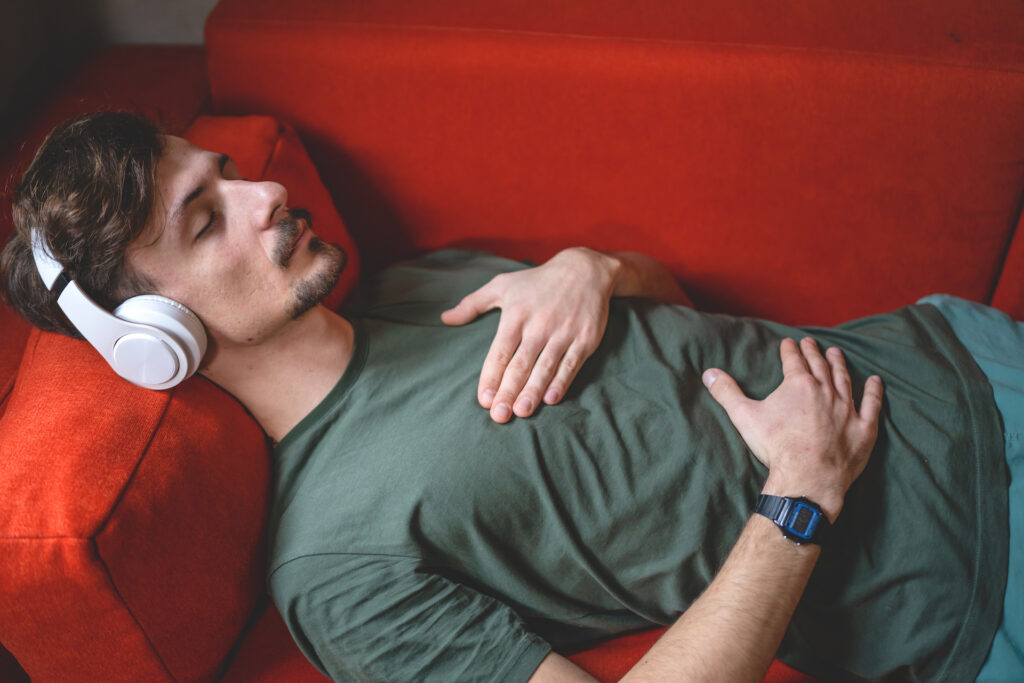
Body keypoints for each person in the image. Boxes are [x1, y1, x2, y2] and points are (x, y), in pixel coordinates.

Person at [1, 112, 1018, 683]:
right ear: (154, 339)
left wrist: (596, 267)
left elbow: (675, 309)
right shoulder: (335, 566)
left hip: (955, 348)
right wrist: (798, 496)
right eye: (206, 217)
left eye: (228, 173)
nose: (264, 194)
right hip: (973, 564)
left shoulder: (414, 287)